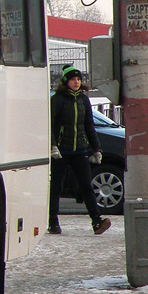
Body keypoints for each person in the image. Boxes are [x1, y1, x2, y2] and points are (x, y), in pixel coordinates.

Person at [49, 66, 112, 235]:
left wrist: (95, 148)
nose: (76, 82)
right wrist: (53, 146)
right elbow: (51, 124)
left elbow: (89, 126)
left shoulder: (83, 100)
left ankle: (97, 221)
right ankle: (53, 221)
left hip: (79, 150)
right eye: (72, 79)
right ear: (65, 82)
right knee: (56, 186)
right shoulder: (57, 99)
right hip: (61, 151)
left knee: (86, 186)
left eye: (78, 79)